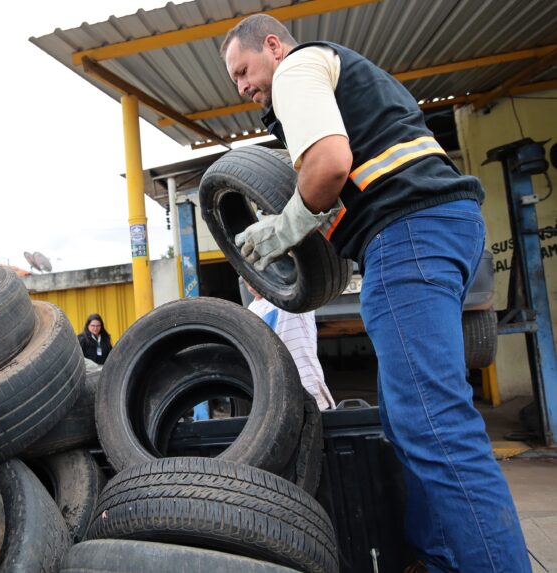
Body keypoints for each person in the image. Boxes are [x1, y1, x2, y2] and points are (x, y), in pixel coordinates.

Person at [221, 15, 529, 572]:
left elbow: (330, 166)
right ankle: (438, 558)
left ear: (272, 45)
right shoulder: (340, 75)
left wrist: (284, 227)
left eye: (243, 70)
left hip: (409, 232)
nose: (242, 87)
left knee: (434, 425)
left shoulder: (296, 69)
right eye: (235, 80)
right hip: (443, 227)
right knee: (408, 422)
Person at [244, 280, 335, 411]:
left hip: (308, 390)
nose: (247, 279)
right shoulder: (250, 311)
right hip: (274, 397)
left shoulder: (292, 297)